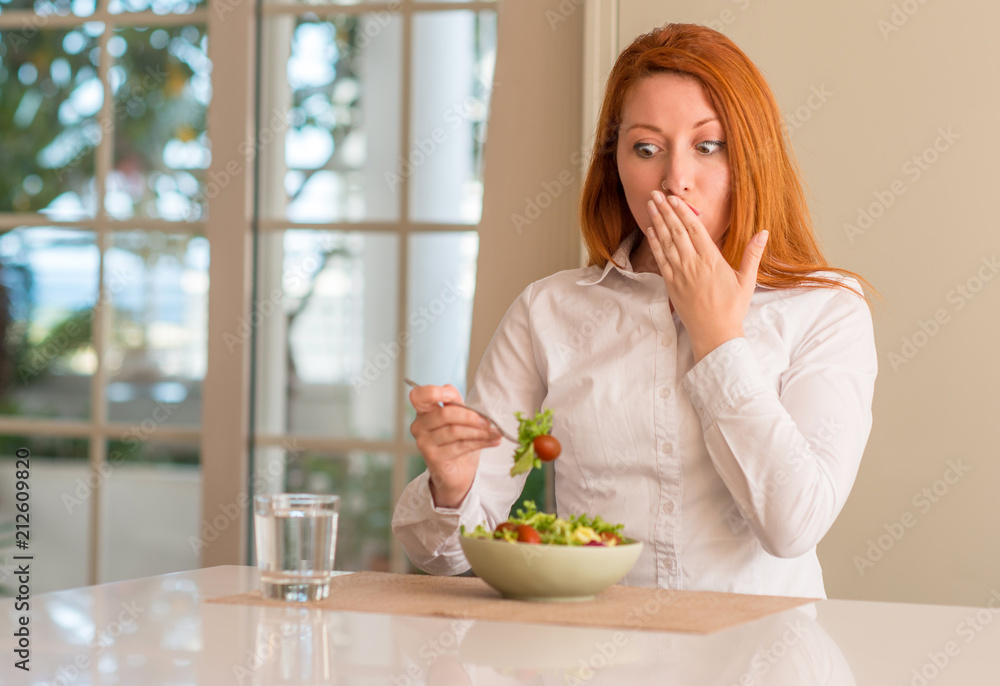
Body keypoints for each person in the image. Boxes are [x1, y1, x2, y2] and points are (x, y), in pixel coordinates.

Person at [392, 23, 877, 598]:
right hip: (591, 656)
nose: (676, 181)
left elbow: (793, 526)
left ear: (750, 156)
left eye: (708, 145)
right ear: (615, 165)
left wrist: (717, 336)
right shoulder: (549, 309)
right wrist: (452, 484)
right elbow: (444, 554)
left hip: (761, 660)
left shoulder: (825, 308)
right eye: (646, 149)